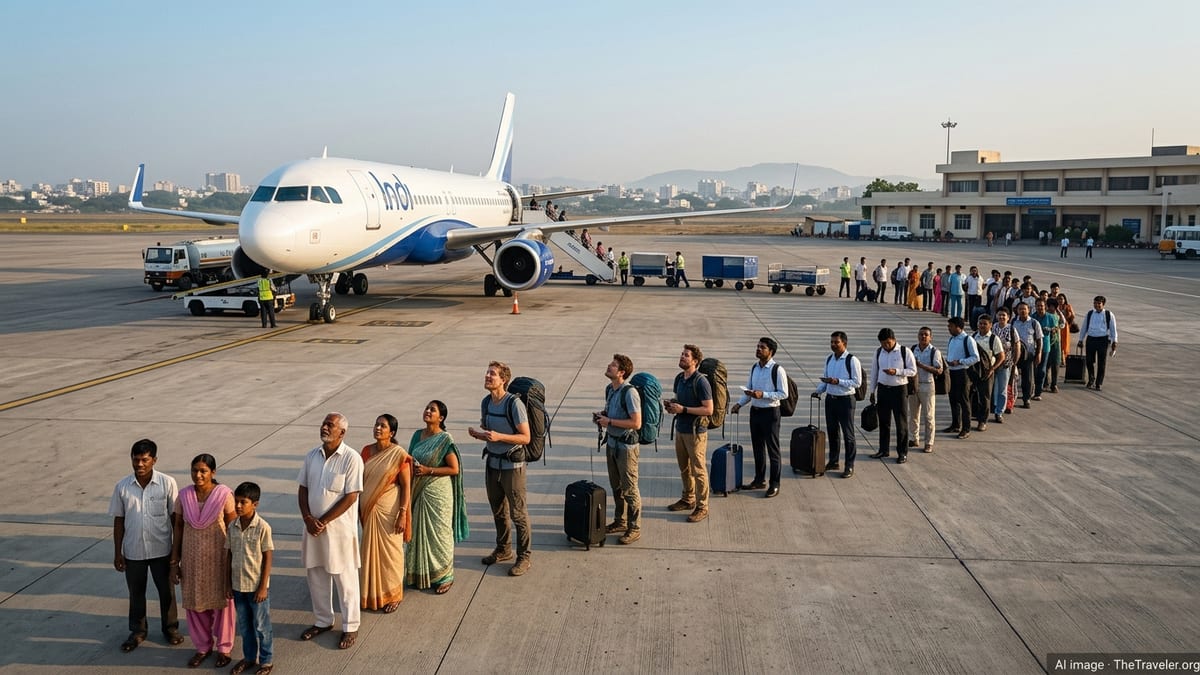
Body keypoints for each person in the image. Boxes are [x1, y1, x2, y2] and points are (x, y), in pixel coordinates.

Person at [109, 439, 183, 653]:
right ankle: (138, 631)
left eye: (144, 460)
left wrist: (176, 555)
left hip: (162, 550)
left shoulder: (167, 483)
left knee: (166, 592)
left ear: (154, 460)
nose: (139, 464)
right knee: (136, 593)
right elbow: (119, 521)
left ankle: (170, 628)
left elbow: (175, 519)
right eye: (135, 460)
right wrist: (118, 552)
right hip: (133, 551)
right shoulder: (122, 487)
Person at [298, 412, 364, 650]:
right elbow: (303, 489)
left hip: (340, 532)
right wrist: (308, 518)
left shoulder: (352, 458)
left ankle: (351, 626)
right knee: (316, 574)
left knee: (345, 579)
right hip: (313, 529)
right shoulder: (311, 456)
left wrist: (322, 520)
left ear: (342, 432)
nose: (324, 427)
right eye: (324, 423)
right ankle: (323, 620)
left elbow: (351, 496)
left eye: (330, 424)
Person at [172, 453, 237, 669]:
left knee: (222, 602)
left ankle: (224, 648)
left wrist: (236, 560)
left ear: (213, 472)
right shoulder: (183, 496)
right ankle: (202, 647)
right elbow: (178, 528)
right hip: (192, 560)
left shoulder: (224, 494)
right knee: (195, 603)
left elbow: (233, 527)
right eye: (194, 471)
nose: (198, 475)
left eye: (203, 471)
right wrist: (175, 561)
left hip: (218, 559)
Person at [469, 362, 533, 575]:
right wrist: (480, 435)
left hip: (512, 466)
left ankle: (524, 557)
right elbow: (490, 431)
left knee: (518, 513)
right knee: (498, 510)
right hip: (492, 463)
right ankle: (503, 549)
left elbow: (526, 437)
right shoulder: (486, 402)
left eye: (492, 374)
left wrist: (499, 437)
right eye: (487, 372)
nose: (487, 376)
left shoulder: (514, 404)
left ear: (503, 379)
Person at [408, 400, 468, 593]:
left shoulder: (444, 439)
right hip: (419, 490)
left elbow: (454, 468)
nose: (427, 411)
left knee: (440, 534)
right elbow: (409, 460)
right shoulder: (418, 435)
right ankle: (420, 573)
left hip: (439, 492)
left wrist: (428, 471)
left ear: (440, 418)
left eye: (432, 410)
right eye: (426, 408)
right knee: (419, 532)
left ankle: (445, 576)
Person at [359, 414, 412, 613]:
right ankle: (372, 594)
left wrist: (403, 513)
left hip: (390, 511)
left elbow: (406, 487)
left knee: (391, 554)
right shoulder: (365, 451)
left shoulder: (398, 454)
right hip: (367, 511)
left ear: (392, 432)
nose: (378, 428)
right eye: (376, 424)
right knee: (369, 553)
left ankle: (394, 594)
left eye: (383, 426)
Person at [225, 482, 274, 675]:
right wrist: (227, 583)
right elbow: (228, 554)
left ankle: (266, 661)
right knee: (245, 626)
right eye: (236, 501)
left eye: (242, 502)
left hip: (256, 588)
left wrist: (263, 587)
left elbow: (268, 556)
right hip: (238, 586)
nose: (237, 506)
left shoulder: (262, 527)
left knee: (262, 627)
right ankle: (248, 658)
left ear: (255, 504)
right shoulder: (232, 526)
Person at [730, 338, 787, 497]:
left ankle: (774, 484)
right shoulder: (755, 367)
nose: (758, 349)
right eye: (758, 346)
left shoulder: (777, 370)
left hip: (770, 413)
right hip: (755, 412)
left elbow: (783, 394)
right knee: (758, 448)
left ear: (771, 351)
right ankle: (759, 479)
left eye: (762, 347)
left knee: (773, 450)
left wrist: (764, 394)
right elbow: (749, 390)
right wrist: (739, 404)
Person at [596, 355, 643, 542]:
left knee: (629, 488)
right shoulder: (610, 389)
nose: (609, 366)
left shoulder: (629, 393)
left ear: (621, 372)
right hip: (612, 443)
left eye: (613, 365)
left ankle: (635, 527)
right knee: (616, 486)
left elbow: (636, 422)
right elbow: (611, 412)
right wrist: (602, 416)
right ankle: (619, 521)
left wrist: (610, 421)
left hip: (626, 447)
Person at [665, 344, 713, 521]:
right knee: (684, 468)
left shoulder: (701, 381)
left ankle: (702, 506)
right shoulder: (679, 378)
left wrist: (683, 409)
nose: (682, 357)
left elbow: (708, 409)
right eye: (682, 354)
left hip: (696, 433)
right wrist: (672, 405)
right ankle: (688, 499)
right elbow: (680, 400)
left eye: (686, 355)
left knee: (698, 470)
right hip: (681, 429)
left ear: (695, 361)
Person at [813, 331, 860, 478]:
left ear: (844, 343)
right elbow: (826, 380)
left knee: (848, 435)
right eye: (832, 342)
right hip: (831, 400)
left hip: (845, 400)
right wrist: (819, 390)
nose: (833, 345)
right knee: (833, 432)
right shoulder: (829, 359)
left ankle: (849, 465)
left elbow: (857, 382)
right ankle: (833, 461)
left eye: (836, 342)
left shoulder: (852, 360)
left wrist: (838, 381)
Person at [868, 328, 917, 463]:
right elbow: (874, 372)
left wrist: (896, 371)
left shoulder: (904, 352)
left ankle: (902, 452)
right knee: (884, 422)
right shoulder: (878, 352)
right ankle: (883, 449)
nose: (886, 346)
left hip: (899, 390)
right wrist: (872, 391)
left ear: (894, 339)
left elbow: (912, 371)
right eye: (883, 344)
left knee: (901, 423)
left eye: (888, 343)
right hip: (883, 389)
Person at [945, 317, 979, 439]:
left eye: (951, 326)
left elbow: (975, 357)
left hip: (963, 373)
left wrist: (960, 361)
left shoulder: (968, 339)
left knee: (964, 401)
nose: (949, 329)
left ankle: (966, 428)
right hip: (952, 372)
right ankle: (955, 424)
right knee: (953, 400)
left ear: (958, 327)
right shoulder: (952, 339)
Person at [909, 327, 942, 453]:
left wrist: (921, 365)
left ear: (930, 337)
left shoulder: (934, 352)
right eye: (921, 334)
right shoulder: (913, 350)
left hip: (927, 385)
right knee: (913, 415)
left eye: (926, 335)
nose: (923, 337)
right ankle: (914, 438)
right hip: (914, 385)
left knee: (928, 416)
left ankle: (929, 442)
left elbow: (939, 370)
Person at [970, 316, 1005, 432]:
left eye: (985, 324)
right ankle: (973, 415)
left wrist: (992, 369)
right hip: (974, 370)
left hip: (986, 371)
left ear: (990, 325)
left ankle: (982, 421)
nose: (982, 326)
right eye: (980, 323)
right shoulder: (973, 337)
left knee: (985, 397)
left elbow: (1001, 356)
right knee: (973, 395)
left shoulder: (994, 339)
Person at [1078, 295, 1118, 391]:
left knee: (1101, 363)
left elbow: (1113, 329)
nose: (1096, 305)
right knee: (1089, 361)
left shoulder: (1109, 314)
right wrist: (1081, 339)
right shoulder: (1090, 313)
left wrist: (1114, 342)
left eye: (1099, 303)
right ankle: (1091, 379)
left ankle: (1099, 383)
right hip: (1091, 339)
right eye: (1095, 303)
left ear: (1103, 304)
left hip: (1103, 340)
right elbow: (1084, 327)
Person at [1011, 302, 1044, 408]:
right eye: (1020, 309)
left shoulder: (1034, 323)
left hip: (1029, 355)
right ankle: (1010, 400)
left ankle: (1026, 399)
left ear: (1029, 310)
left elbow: (1039, 340)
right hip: (1015, 354)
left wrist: (1038, 354)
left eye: (1024, 309)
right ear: (1017, 311)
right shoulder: (1013, 322)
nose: (1022, 311)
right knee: (1012, 377)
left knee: (1028, 378)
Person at [992, 308, 1019, 423]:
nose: (1002, 317)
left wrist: (1014, 362)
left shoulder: (1012, 329)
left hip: (1006, 364)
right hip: (993, 363)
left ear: (1008, 317)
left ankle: (999, 412)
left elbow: (1017, 346)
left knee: (1002, 388)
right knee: (993, 387)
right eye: (1000, 315)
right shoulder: (993, 327)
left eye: (1004, 315)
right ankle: (993, 406)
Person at [1034, 298, 1062, 397]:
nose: (1040, 308)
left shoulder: (1050, 317)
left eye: (1041, 306)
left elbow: (1056, 328)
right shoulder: (1033, 317)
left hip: (1045, 346)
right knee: (1034, 369)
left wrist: (1050, 329)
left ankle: (1038, 391)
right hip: (1034, 346)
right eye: (1038, 306)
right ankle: (1033, 388)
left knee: (1042, 369)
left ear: (1045, 306)